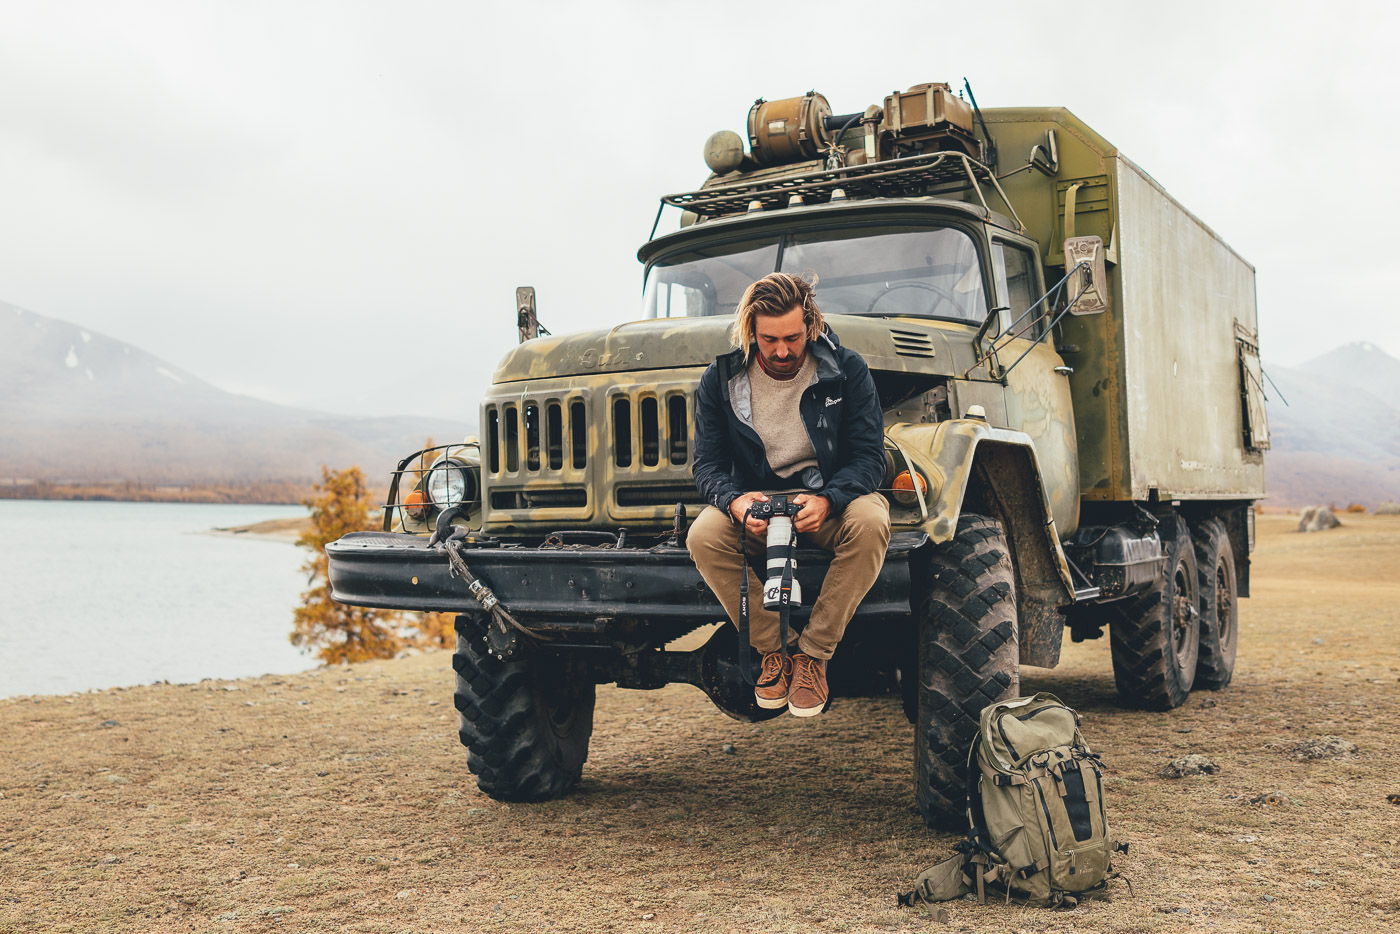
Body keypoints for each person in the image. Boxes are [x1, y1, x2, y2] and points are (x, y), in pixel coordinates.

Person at [688, 271, 891, 717]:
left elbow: (869, 458)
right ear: (749, 331)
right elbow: (706, 465)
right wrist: (734, 501)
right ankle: (774, 650)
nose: (782, 351)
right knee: (703, 535)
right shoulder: (719, 380)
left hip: (827, 503)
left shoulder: (847, 369)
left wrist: (830, 500)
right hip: (756, 508)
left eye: (793, 338)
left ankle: (812, 657)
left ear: (812, 325)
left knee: (873, 522)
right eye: (769, 339)